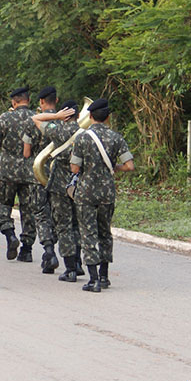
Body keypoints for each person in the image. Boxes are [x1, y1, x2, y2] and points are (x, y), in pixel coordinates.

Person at [69, 98, 134, 292]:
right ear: (108, 117)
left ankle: (93, 279)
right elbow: (130, 166)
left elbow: (74, 167)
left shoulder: (82, 138)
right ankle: (105, 276)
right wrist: (113, 167)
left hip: (86, 192)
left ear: (90, 116)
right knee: (105, 233)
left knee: (88, 233)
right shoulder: (116, 137)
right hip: (107, 192)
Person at [32, 100, 83, 281]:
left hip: (60, 187)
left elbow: (36, 118)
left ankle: (70, 268)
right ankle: (78, 262)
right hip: (79, 186)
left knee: (64, 226)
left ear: (65, 115)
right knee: (77, 225)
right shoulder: (87, 134)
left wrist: (55, 116)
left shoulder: (59, 131)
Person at [0, 87, 40, 262]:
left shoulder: (5, 118)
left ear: (14, 102)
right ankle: (27, 249)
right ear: (29, 99)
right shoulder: (38, 118)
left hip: (7, 171)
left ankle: (10, 235)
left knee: (3, 205)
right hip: (30, 171)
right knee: (28, 209)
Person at [21, 86, 60, 273]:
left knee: (41, 214)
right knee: (60, 214)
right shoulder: (65, 120)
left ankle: (49, 251)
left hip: (38, 176)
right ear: (57, 100)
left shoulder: (33, 123)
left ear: (41, 103)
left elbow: (26, 152)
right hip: (61, 176)